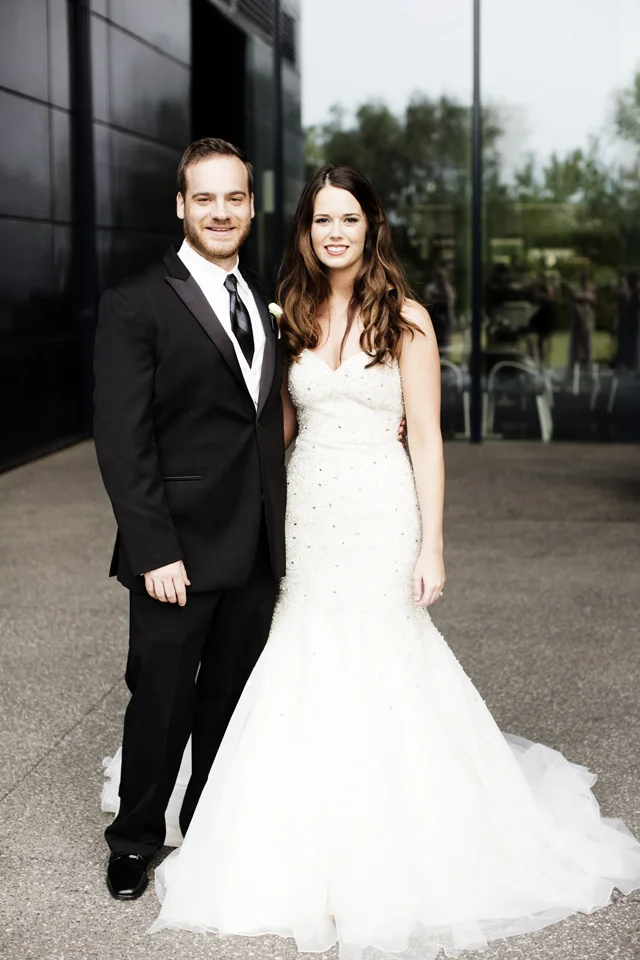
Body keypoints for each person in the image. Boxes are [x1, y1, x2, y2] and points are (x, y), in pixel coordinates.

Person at [146, 165, 640, 958]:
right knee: (302, 651)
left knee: (382, 655)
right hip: (307, 511)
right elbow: (274, 426)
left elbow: (428, 438)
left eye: (349, 218)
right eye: (321, 220)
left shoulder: (406, 317)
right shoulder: (291, 312)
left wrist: (432, 544)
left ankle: (395, 835)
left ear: (372, 226)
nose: (334, 232)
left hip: (381, 512)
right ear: (306, 231)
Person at [93, 138, 286, 901]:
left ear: (251, 206)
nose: (220, 211)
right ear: (181, 205)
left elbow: (261, 417)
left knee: (229, 698)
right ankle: (135, 839)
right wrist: (153, 550)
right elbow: (123, 440)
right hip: (174, 550)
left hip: (255, 546)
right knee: (161, 698)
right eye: (205, 198)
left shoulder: (263, 299)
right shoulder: (135, 302)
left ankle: (209, 824)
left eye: (234, 197)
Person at [423, 266, 456, 355]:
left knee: (444, 346)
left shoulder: (448, 288)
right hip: (433, 320)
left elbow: (450, 303)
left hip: (444, 322)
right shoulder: (430, 288)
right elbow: (428, 301)